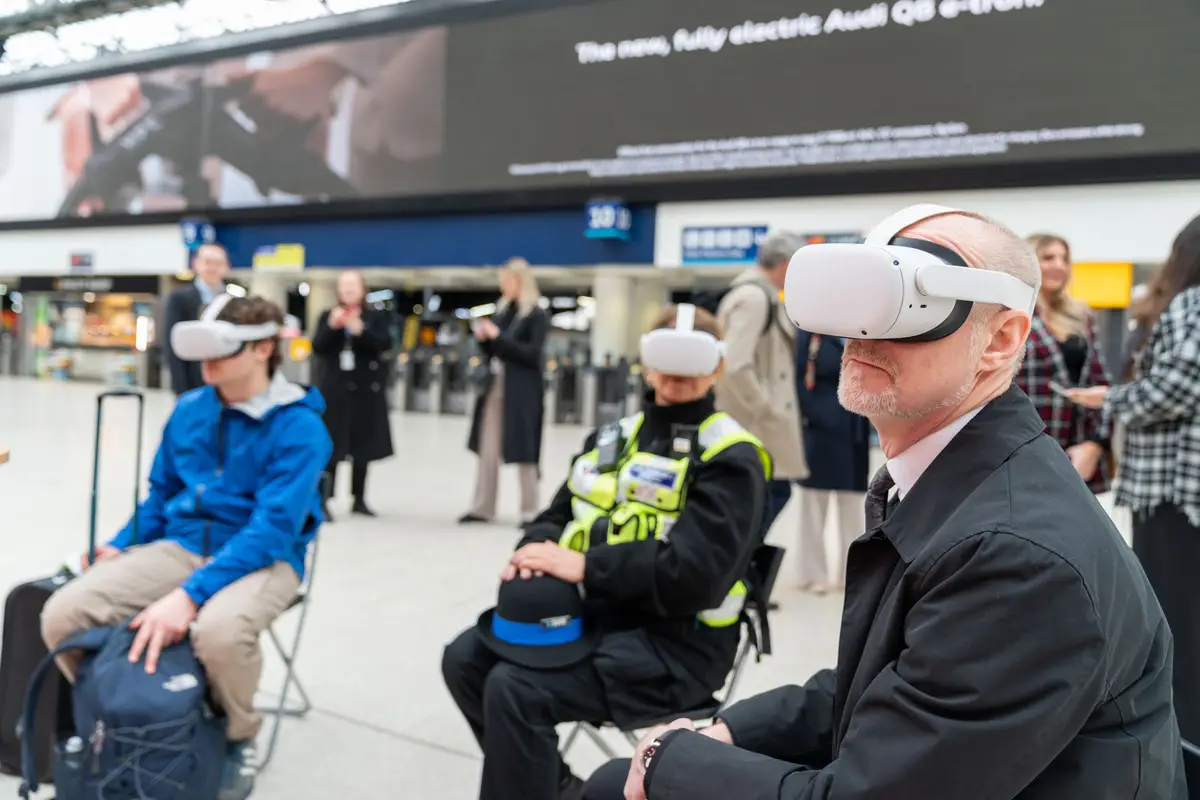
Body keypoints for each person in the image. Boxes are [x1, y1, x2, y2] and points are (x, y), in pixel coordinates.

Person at [584, 205, 1184, 800]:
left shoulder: (1016, 555)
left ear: (1001, 340)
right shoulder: (948, 480)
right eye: (863, 298)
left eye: (914, 301)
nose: (864, 332)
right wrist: (729, 728)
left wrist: (671, 761)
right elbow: (886, 679)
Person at [442, 303, 770, 800]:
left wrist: (584, 566)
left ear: (717, 366)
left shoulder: (731, 457)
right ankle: (553, 788)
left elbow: (697, 575)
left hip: (674, 647)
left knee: (514, 688)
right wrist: (532, 550)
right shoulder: (613, 439)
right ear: (646, 361)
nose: (677, 374)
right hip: (593, 620)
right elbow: (555, 514)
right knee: (464, 658)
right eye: (666, 356)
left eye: (693, 360)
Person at [40, 294, 332, 800]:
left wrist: (190, 596)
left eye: (222, 349)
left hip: (264, 556)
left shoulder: (299, 427)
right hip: (183, 543)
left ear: (264, 348)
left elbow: (272, 528)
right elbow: (162, 494)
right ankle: (123, 711)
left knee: (219, 634)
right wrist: (120, 543)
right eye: (200, 349)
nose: (207, 362)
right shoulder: (190, 409)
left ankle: (238, 735)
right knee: (63, 614)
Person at [1069, 212, 1200, 792]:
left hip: (1173, 488)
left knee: (1176, 620)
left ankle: (1182, 744)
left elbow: (1174, 388)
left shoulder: (1190, 305)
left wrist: (1110, 397)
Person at [714, 231, 809, 536]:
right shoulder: (754, 298)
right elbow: (736, 363)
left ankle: (740, 568)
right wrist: (766, 408)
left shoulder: (756, 295)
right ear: (784, 263)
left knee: (760, 499)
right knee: (767, 497)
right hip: (756, 426)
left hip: (754, 424)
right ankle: (741, 570)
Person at [1017, 233, 1114, 492]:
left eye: (1064, 259)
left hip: (1078, 451)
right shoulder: (1012, 314)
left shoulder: (1081, 317)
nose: (1059, 265)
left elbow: (1103, 385)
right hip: (1025, 448)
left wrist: (1095, 445)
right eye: (1048, 257)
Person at [459, 258, 549, 526]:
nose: (503, 286)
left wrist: (498, 338)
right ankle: (482, 506)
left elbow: (531, 354)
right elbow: (497, 350)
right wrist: (485, 339)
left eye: (507, 281)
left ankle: (529, 510)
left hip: (522, 391)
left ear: (521, 282)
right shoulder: (503, 311)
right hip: (495, 386)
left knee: (525, 447)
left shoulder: (536, 315)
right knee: (487, 445)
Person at [311, 269, 395, 518]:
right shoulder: (328, 315)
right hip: (335, 390)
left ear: (362, 289)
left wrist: (361, 331)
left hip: (364, 391)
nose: (348, 290)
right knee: (331, 447)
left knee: (362, 446)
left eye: (353, 285)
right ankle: (324, 499)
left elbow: (384, 345)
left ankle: (359, 498)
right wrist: (332, 327)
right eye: (344, 285)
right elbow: (318, 347)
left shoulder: (375, 317)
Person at [793, 330, 870, 594]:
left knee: (853, 506)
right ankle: (812, 573)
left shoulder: (861, 328)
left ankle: (854, 574)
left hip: (855, 427)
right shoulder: (811, 332)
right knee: (814, 503)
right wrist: (815, 414)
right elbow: (797, 379)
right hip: (821, 427)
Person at [162, 242, 230, 395]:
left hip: (226, 383)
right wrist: (181, 389)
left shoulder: (230, 300)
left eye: (218, 263)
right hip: (192, 380)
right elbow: (171, 342)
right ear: (196, 264)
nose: (213, 268)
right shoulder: (180, 298)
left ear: (227, 266)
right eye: (207, 262)